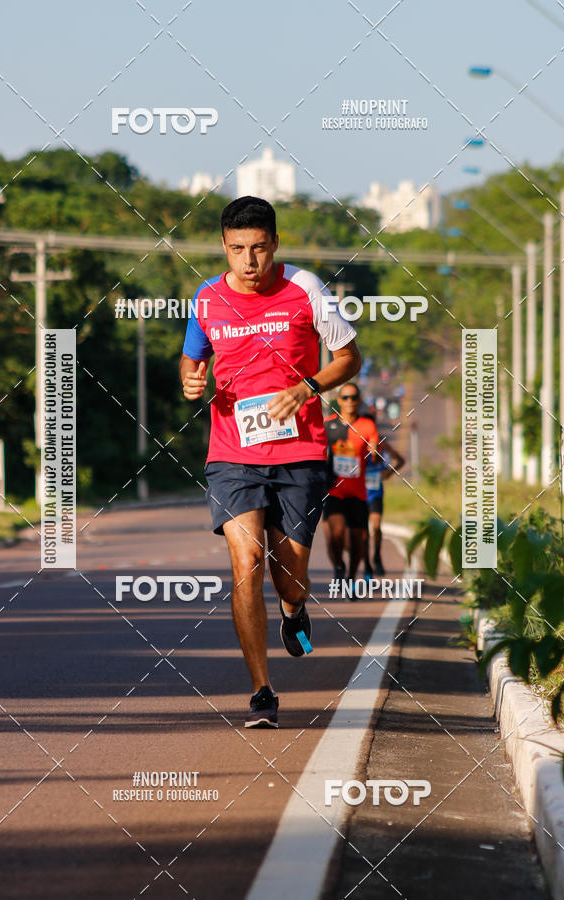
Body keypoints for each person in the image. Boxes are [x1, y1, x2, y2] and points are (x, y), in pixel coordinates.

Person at [180, 196, 361, 728]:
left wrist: (306, 388)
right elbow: (193, 361)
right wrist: (190, 380)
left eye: (259, 248)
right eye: (238, 250)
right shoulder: (207, 298)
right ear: (224, 248)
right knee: (245, 565)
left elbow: (350, 356)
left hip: (300, 453)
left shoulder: (305, 288)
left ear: (275, 243)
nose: (249, 261)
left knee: (291, 576)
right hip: (232, 455)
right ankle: (262, 690)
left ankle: (294, 609)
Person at [323, 383, 379, 591]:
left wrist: (374, 450)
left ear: (359, 399)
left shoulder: (367, 425)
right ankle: (338, 565)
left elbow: (375, 447)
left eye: (353, 397)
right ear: (339, 400)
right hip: (333, 489)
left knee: (358, 542)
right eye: (345, 397)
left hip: (357, 492)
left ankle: (351, 578)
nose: (349, 401)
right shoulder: (328, 425)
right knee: (335, 534)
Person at [363, 436, 405, 577]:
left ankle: (376, 556)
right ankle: (367, 563)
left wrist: (389, 473)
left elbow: (400, 460)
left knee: (376, 526)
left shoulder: (383, 444)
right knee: (362, 532)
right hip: (359, 494)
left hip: (376, 494)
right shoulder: (357, 442)